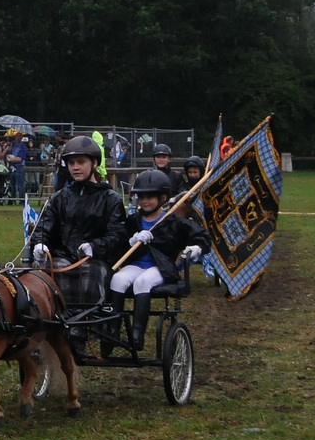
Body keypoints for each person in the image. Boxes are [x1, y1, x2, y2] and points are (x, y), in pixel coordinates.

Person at [28, 135, 126, 360]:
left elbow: (119, 235)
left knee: (89, 272)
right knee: (52, 271)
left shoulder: (110, 199)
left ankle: (82, 330)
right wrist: (40, 243)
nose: (75, 167)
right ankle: (50, 327)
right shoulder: (59, 198)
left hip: (97, 259)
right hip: (63, 255)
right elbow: (44, 226)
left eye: (81, 162)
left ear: (94, 163)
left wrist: (95, 246)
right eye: (71, 163)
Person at [111, 169, 209, 348]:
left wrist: (197, 247)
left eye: (150, 196)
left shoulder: (174, 221)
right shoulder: (133, 221)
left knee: (142, 282)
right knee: (117, 279)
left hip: (162, 267)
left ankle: (137, 336)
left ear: (163, 198)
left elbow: (203, 236)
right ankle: (112, 334)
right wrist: (132, 240)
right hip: (136, 265)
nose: (144, 201)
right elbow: (119, 243)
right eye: (141, 197)